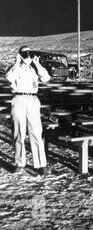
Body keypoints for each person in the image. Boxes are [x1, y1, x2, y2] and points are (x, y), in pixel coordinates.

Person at [6, 46, 51, 175]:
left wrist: (37, 64)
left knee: (36, 132)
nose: (28, 56)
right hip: (18, 98)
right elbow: (9, 77)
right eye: (25, 53)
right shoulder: (14, 69)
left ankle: (41, 164)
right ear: (20, 55)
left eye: (29, 53)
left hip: (32, 99)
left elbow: (46, 78)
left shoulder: (34, 69)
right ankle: (20, 163)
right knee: (19, 132)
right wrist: (16, 62)